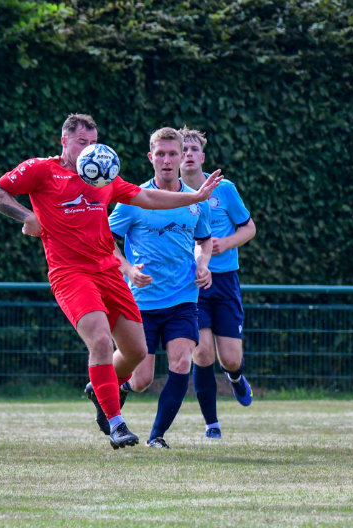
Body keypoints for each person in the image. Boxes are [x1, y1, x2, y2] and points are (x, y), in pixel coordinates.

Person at [0, 114, 223, 450]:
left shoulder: (103, 175)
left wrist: (195, 198)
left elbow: (149, 198)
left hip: (108, 271)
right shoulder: (42, 170)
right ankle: (116, 423)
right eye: (82, 142)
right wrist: (28, 216)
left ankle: (101, 389)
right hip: (70, 273)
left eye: (93, 143)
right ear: (64, 141)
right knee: (99, 341)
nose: (89, 150)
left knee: (137, 351)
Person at [107, 126, 214, 449]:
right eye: (161, 154)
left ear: (182, 157)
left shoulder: (196, 201)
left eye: (173, 154)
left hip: (183, 297)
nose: (167, 160)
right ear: (150, 157)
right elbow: (105, 240)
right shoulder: (133, 199)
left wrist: (203, 263)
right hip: (141, 300)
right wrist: (128, 269)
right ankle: (108, 386)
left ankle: (157, 436)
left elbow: (204, 239)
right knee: (141, 380)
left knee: (182, 362)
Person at [178, 125, 257, 440]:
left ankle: (236, 378)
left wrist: (226, 243)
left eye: (193, 150)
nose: (188, 155)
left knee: (231, 359)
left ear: (202, 157)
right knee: (203, 355)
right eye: (182, 150)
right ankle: (212, 424)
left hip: (224, 281)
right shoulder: (167, 193)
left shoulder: (224, 189)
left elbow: (249, 228)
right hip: (192, 282)